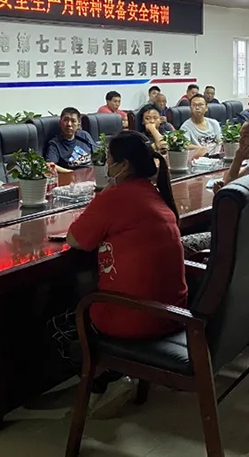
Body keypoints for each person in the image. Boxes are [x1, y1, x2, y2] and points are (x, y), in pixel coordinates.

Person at [64, 130, 187, 412]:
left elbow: (75, 240)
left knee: (65, 317)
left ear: (124, 165)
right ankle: (115, 376)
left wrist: (104, 196)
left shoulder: (116, 197)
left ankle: (103, 381)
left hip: (137, 319)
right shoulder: (155, 193)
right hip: (172, 314)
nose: (107, 166)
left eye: (109, 160)